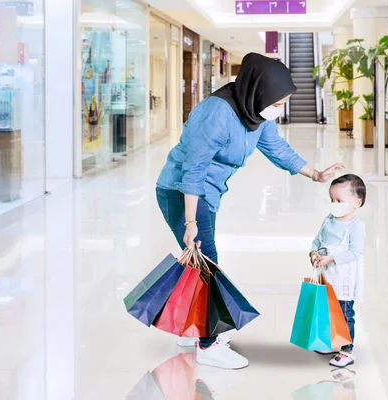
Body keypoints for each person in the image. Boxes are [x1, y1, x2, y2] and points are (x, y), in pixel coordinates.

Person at [156, 53, 345, 370]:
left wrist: (316, 174)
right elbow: (192, 172)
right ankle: (209, 343)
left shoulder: (255, 113)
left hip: (208, 192)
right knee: (208, 266)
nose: (280, 109)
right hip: (183, 192)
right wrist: (190, 221)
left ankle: (192, 330)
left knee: (200, 265)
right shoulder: (215, 115)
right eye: (279, 103)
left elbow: (277, 149)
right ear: (258, 93)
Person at [310, 174, 366, 368]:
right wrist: (314, 252)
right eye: (332, 200)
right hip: (327, 274)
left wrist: (333, 258)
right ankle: (334, 342)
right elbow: (317, 240)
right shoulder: (328, 220)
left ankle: (346, 349)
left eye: (339, 200)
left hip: (344, 277)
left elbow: (355, 252)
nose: (334, 204)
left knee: (344, 311)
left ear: (356, 203)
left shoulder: (356, 227)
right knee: (328, 309)